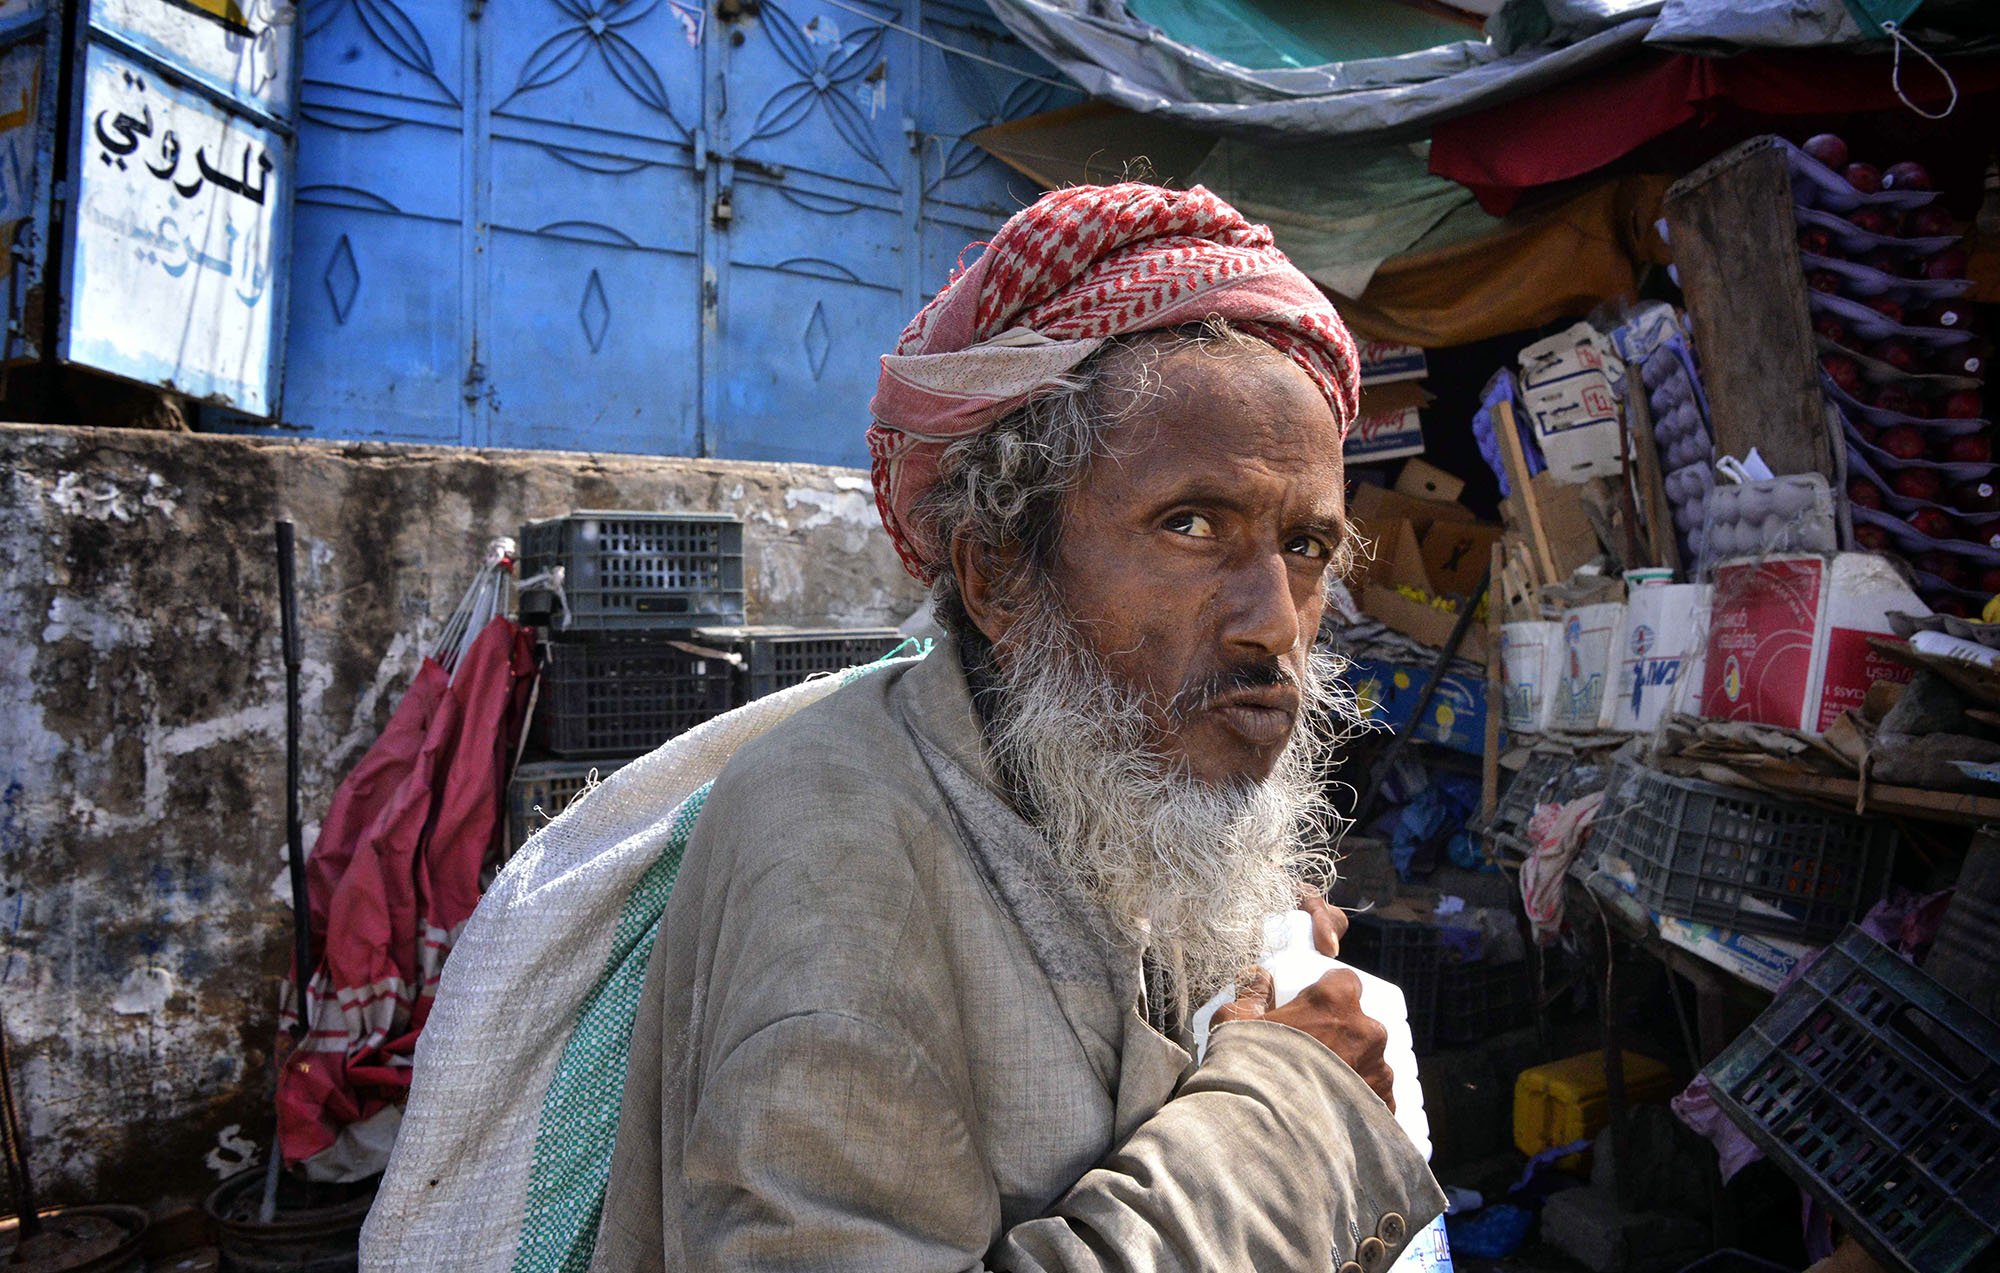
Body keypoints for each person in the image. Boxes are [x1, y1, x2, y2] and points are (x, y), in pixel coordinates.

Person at [597, 183, 1445, 1271]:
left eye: (1306, 547)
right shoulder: (836, 855)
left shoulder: (1079, 771)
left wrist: (1223, 954)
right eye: (1190, 525)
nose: (1272, 622)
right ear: (998, 569)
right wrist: (1288, 1096)